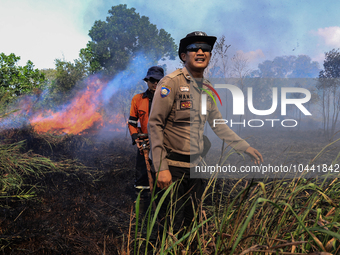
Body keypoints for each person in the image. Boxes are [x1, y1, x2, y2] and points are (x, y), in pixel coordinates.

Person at [148, 31, 263, 233]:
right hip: (172, 168)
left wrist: (244, 146)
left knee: (192, 223)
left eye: (206, 49)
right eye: (194, 48)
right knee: (171, 225)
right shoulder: (170, 83)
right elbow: (155, 124)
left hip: (195, 167)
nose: (201, 52)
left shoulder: (208, 88)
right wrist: (160, 168)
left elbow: (218, 124)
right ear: (184, 55)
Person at [128, 66, 164, 189]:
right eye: (152, 80)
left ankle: (161, 205)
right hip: (144, 144)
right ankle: (142, 204)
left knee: (163, 177)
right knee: (142, 179)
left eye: (158, 81)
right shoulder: (137, 99)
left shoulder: (169, 100)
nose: (155, 83)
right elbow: (132, 122)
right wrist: (136, 138)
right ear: (147, 81)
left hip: (163, 144)